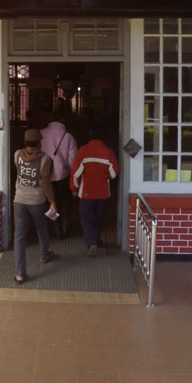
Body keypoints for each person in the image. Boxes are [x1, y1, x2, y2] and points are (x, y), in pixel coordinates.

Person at [12, 128, 58, 283]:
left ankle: (19, 273)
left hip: (18, 200)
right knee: (41, 227)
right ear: (39, 142)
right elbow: (45, 183)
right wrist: (52, 201)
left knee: (19, 237)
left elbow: (18, 171)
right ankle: (44, 254)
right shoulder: (45, 159)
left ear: (25, 142)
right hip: (37, 201)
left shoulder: (17, 154)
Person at [70, 127, 119, 256]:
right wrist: (105, 177)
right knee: (99, 217)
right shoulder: (108, 152)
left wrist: (74, 188)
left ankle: (92, 243)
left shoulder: (83, 151)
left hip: (86, 192)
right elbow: (114, 173)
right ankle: (97, 240)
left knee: (86, 217)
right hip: (103, 192)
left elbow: (76, 173)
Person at [40, 105, 77, 238]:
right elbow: (73, 159)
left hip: (45, 175)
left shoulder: (41, 133)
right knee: (64, 201)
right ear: (63, 121)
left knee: (50, 201)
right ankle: (64, 227)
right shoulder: (68, 136)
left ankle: (53, 228)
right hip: (62, 175)